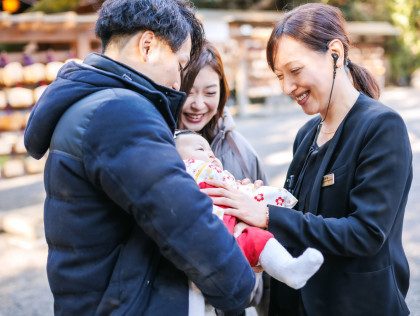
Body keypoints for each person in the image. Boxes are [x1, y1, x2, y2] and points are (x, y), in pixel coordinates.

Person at [23, 1, 257, 315]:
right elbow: (182, 219)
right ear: (148, 46)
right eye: (179, 64)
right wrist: (240, 284)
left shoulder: (92, 103)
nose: (178, 83)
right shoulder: (121, 111)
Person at [201, 3, 413, 316]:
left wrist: (268, 215)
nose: (287, 87)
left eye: (295, 71)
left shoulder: (381, 127)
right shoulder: (306, 134)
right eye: (279, 76)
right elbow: (298, 219)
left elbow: (366, 233)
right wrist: (250, 214)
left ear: (335, 54)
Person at [174, 130, 323, 316]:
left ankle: (288, 268)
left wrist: (258, 198)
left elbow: (247, 197)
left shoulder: (231, 158)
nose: (210, 154)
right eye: (200, 148)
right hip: (202, 241)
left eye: (211, 150)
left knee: (259, 239)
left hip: (233, 239)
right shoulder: (183, 174)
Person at [179, 40, 268, 184]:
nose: (198, 105)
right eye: (189, 92)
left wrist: (252, 196)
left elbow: (268, 204)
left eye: (210, 93)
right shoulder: (154, 147)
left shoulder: (242, 152)